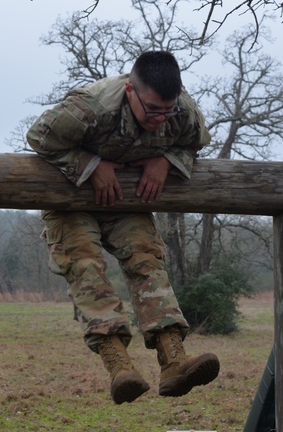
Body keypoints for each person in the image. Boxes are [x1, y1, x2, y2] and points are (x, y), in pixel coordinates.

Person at [26, 51, 220, 404]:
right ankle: (120, 367)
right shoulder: (91, 107)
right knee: (85, 267)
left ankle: (174, 361)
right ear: (131, 92)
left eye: (167, 110)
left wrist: (167, 161)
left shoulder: (183, 111)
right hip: (70, 199)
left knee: (146, 260)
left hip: (125, 200)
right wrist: (90, 163)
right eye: (152, 110)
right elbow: (38, 137)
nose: (160, 119)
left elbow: (195, 145)